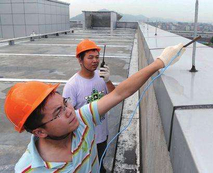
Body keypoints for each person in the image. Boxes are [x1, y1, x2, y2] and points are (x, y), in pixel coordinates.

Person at [4, 43, 185, 173]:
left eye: (64, 103)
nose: (69, 111)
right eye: (58, 112)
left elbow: (119, 93)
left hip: (101, 136)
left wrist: (160, 62)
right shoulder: (28, 169)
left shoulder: (81, 119)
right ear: (40, 132)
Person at [62, 39, 115, 172]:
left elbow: (114, 96)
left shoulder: (101, 77)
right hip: (84, 139)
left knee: (100, 164)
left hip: (102, 134)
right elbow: (66, 116)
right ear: (80, 60)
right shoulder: (72, 85)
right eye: (90, 57)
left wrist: (108, 81)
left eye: (97, 57)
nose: (95, 61)